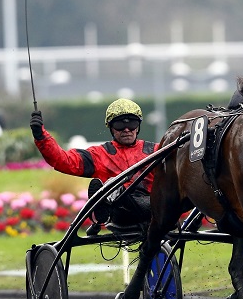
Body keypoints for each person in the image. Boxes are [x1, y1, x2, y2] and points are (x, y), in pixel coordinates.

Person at [30, 98, 157, 235]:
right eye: (120, 124)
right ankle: (106, 198)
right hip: (121, 214)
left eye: (132, 123)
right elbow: (63, 160)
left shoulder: (156, 151)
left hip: (152, 209)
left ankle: (104, 198)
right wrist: (41, 136)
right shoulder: (99, 155)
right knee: (114, 186)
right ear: (111, 128)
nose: (126, 129)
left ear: (138, 126)